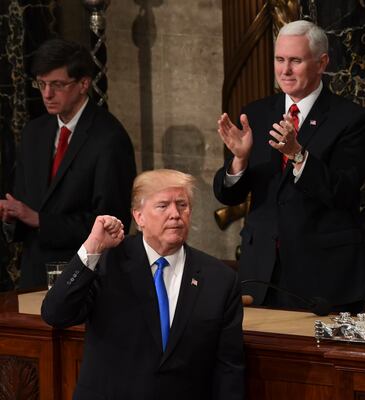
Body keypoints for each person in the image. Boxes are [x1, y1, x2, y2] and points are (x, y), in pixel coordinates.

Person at [213, 20, 365, 313]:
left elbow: (343, 192)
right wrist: (239, 160)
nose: (285, 70)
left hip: (323, 277)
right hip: (261, 273)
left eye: (295, 61)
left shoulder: (352, 119)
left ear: (322, 62)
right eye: (279, 60)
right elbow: (229, 197)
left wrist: (298, 155)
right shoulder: (257, 113)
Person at [42, 169, 245, 399]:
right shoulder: (108, 262)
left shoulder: (219, 279)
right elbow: (55, 313)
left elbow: (229, 370)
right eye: (163, 206)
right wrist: (92, 247)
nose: (175, 214)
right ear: (139, 217)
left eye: (182, 205)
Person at [0, 38, 136, 289]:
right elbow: (24, 207)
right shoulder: (34, 133)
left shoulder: (109, 138)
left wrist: (40, 220)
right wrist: (10, 218)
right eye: (41, 84)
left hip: (85, 277)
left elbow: (112, 224)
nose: (47, 94)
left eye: (57, 85)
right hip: (34, 276)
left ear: (83, 84)